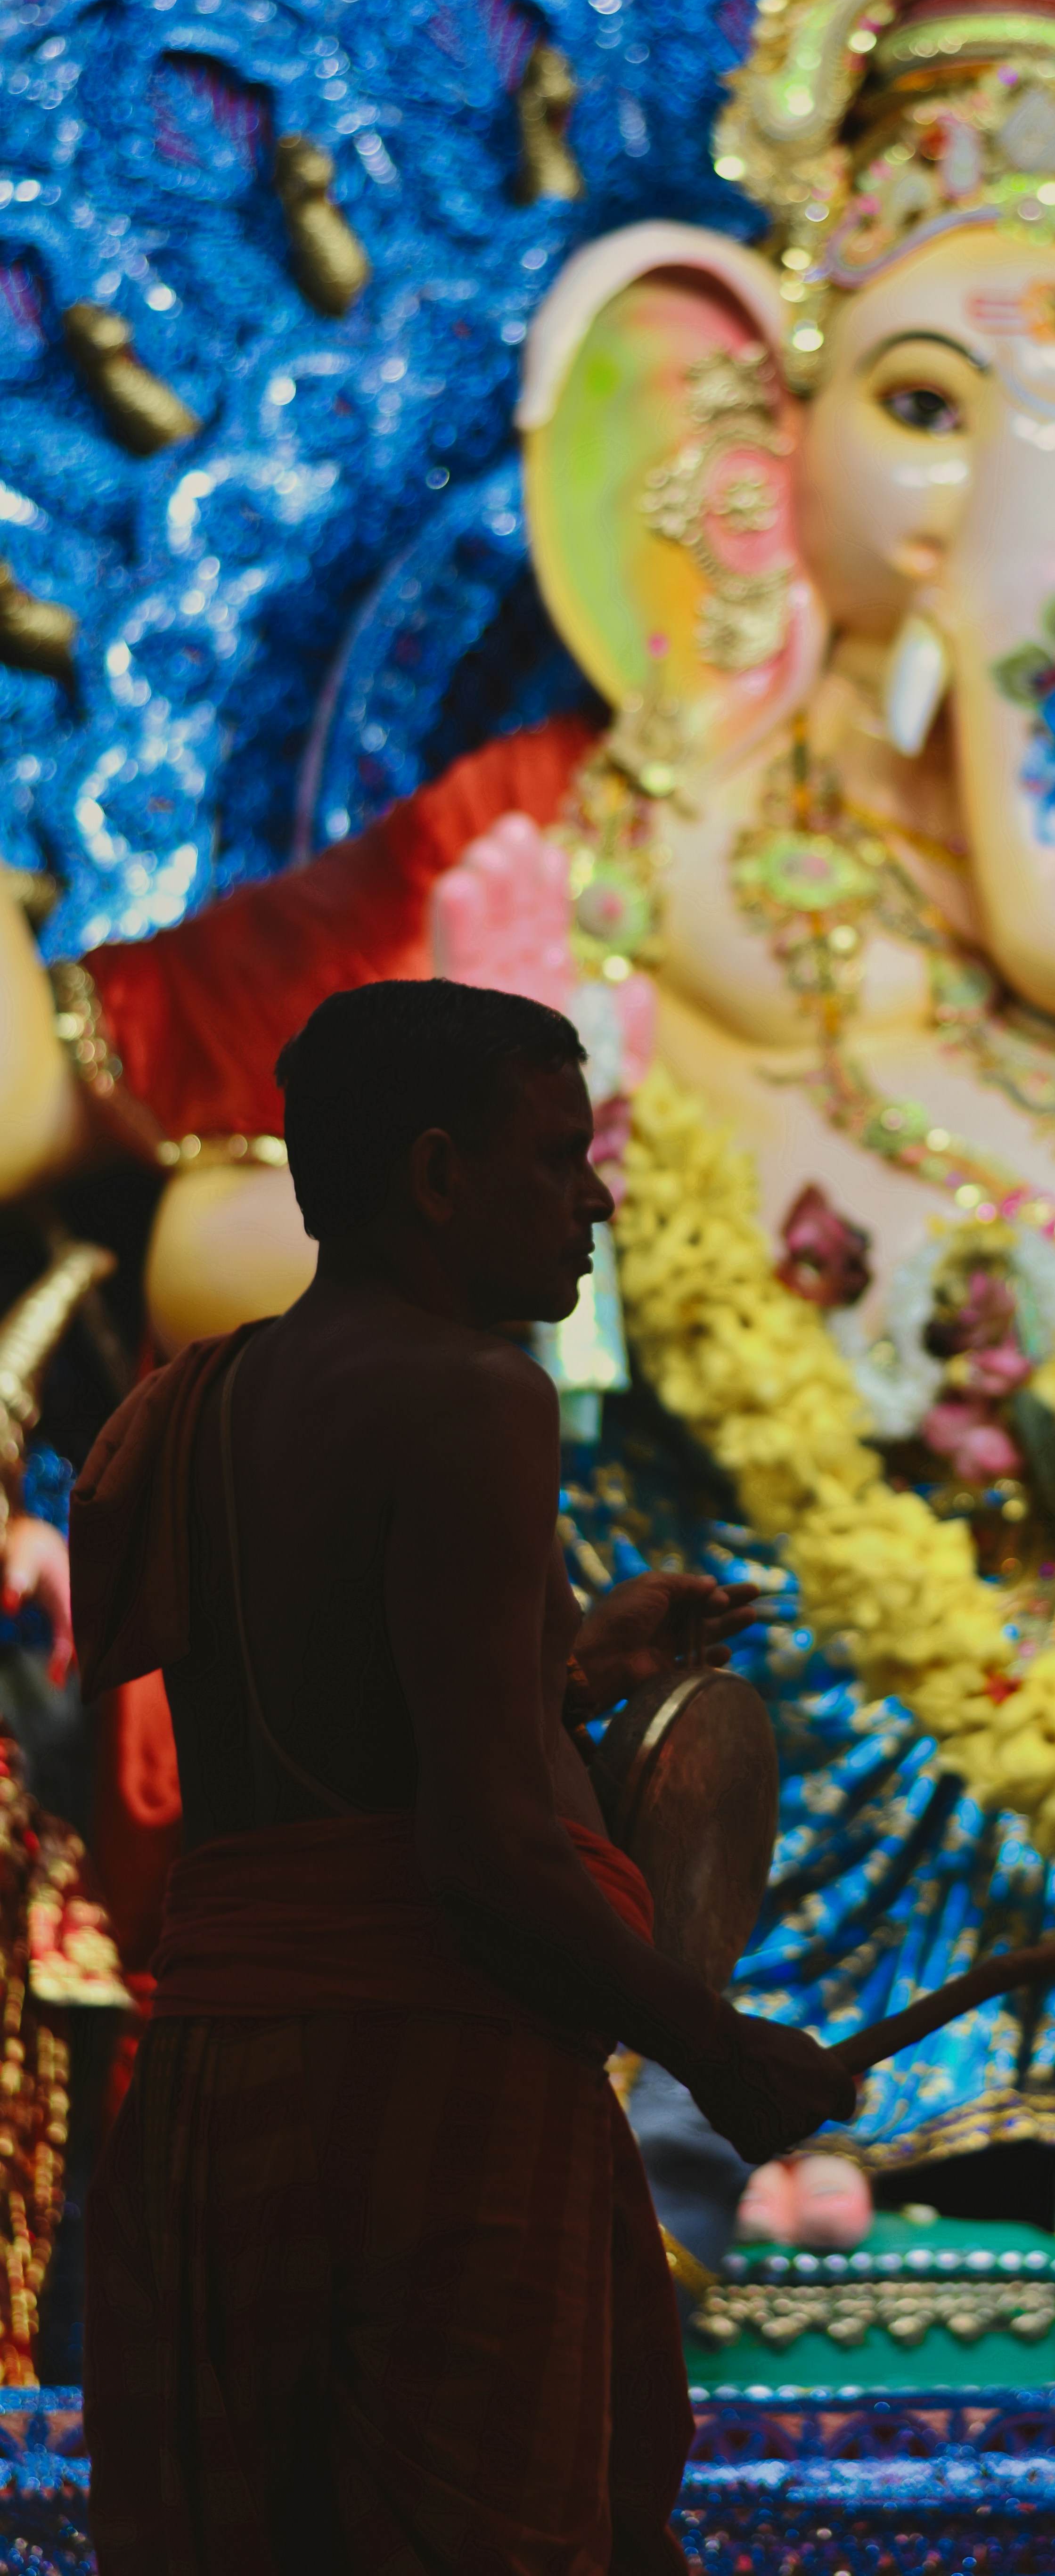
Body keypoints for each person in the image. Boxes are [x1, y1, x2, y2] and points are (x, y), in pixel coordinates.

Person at [71, 977, 857, 2574]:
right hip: (425, 2094)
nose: (597, 1200)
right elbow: (482, 1851)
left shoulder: (200, 1398)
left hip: (222, 2088)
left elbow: (337, 1730)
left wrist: (571, 1671)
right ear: (436, 1174)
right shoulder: (475, 1392)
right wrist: (713, 2046)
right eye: (560, 1155)